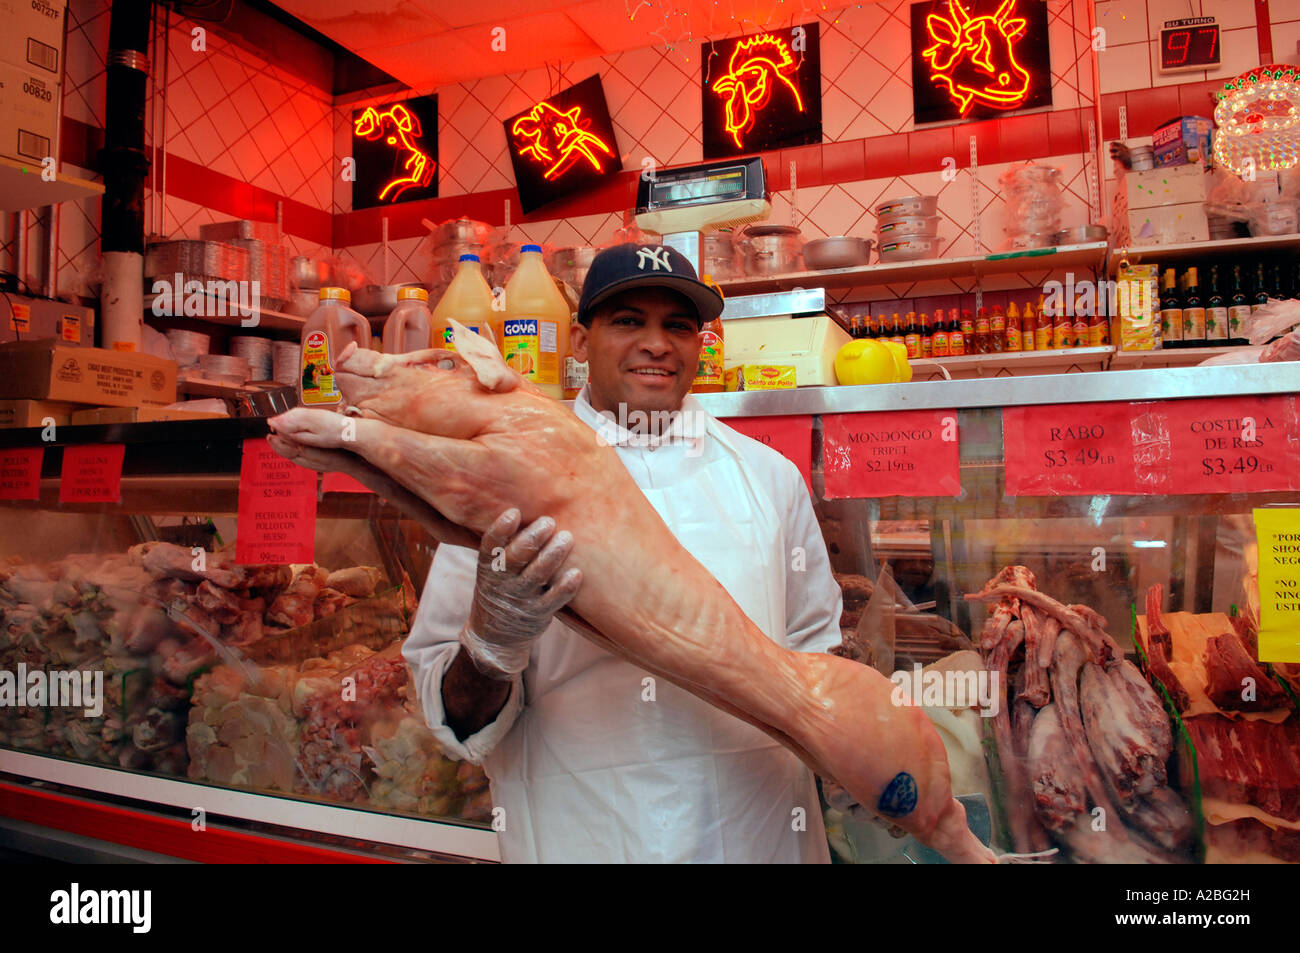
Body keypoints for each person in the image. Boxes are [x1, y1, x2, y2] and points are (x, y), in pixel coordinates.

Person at [402, 243, 844, 862]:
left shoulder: (768, 478)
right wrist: (491, 642)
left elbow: (818, 659)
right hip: (582, 833)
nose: (657, 344)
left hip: (757, 832)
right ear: (580, 340)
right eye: (629, 320)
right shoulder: (504, 474)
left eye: (678, 326)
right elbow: (454, 719)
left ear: (701, 344)